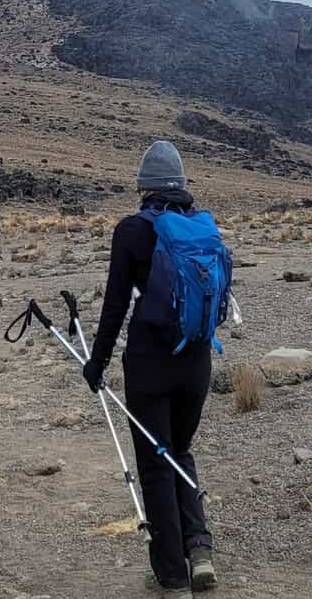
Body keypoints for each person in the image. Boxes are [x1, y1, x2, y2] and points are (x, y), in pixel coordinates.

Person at [82, 140, 217, 596]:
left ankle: (172, 575)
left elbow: (115, 306)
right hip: (196, 362)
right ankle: (199, 549)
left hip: (149, 367)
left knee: (156, 464)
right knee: (180, 451)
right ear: (181, 185)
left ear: (144, 185)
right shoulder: (202, 228)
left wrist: (96, 364)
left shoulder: (132, 231)